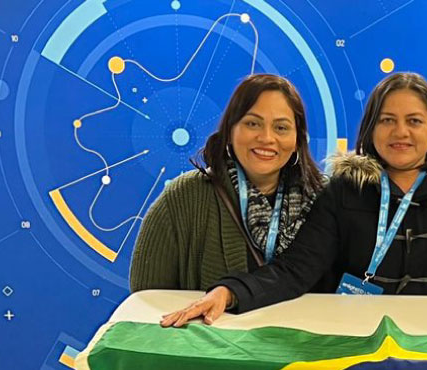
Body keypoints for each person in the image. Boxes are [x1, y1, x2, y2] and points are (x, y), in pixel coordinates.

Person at [161, 72, 427, 330]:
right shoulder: (344, 189)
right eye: (387, 120)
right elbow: (296, 270)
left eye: (414, 121)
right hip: (359, 340)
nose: (400, 132)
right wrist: (228, 292)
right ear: (370, 128)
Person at [129, 74, 325, 292]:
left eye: (281, 128)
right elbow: (147, 305)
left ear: (298, 140)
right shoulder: (182, 198)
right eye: (252, 123)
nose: (267, 138)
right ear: (230, 131)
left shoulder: (324, 202)